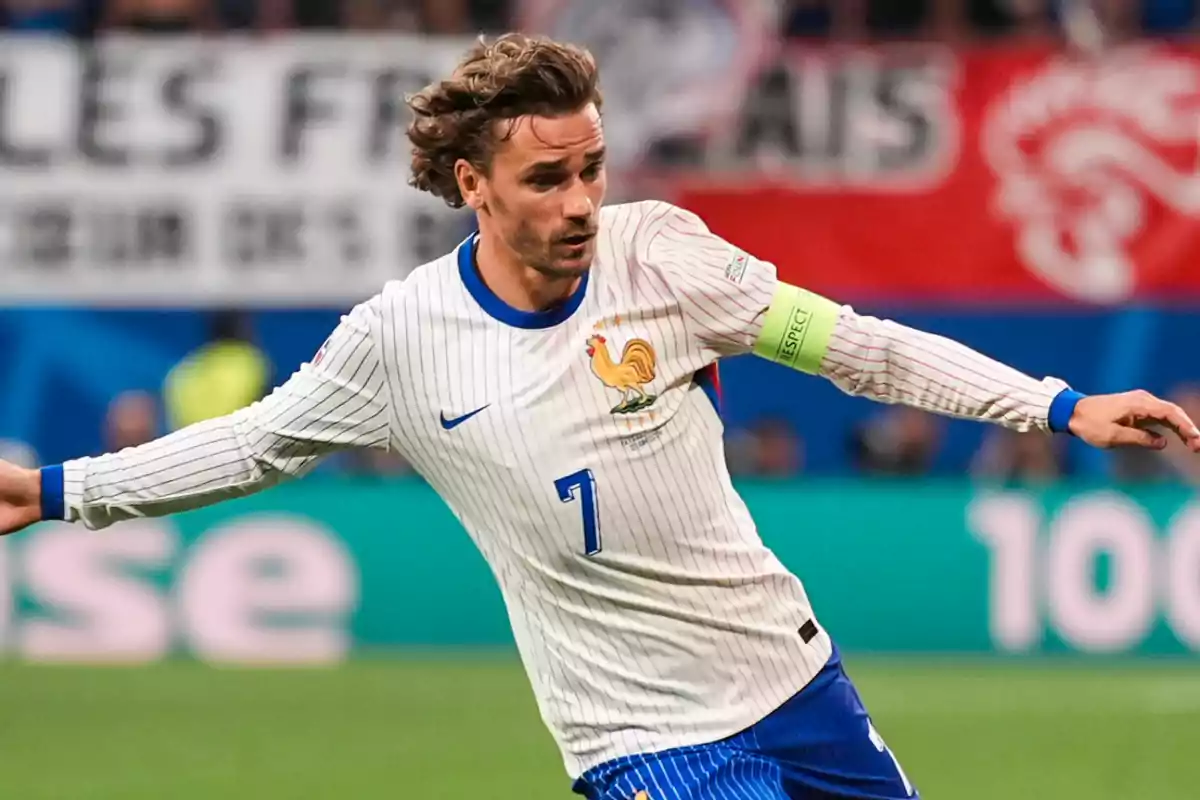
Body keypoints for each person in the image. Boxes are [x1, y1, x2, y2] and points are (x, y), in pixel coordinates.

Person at [0, 34, 1196, 800]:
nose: (581, 201)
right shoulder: (399, 338)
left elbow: (854, 347)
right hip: (641, 735)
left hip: (795, 677)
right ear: (471, 185)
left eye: (593, 168)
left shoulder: (664, 256)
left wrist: (1055, 401)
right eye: (545, 178)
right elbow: (256, 440)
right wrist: (59, 489)